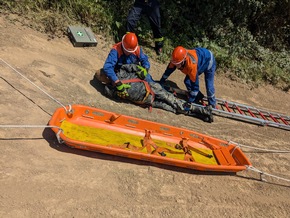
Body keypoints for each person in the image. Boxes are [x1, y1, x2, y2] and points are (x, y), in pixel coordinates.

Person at [95, 64, 213, 123]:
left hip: (151, 87)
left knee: (175, 102)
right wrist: (116, 88)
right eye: (102, 79)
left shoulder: (120, 70)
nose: (105, 78)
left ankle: (204, 110)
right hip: (148, 101)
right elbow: (114, 95)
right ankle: (201, 115)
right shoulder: (110, 89)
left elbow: (134, 67)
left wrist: (141, 70)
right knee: (173, 109)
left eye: (104, 75)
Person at [98, 32, 155, 98]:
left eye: (130, 52)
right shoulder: (116, 50)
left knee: (152, 83)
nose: (128, 53)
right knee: (111, 88)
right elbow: (108, 67)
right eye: (127, 51)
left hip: (134, 73)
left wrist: (145, 69)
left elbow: (145, 60)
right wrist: (117, 82)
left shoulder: (137, 49)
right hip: (120, 75)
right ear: (122, 45)